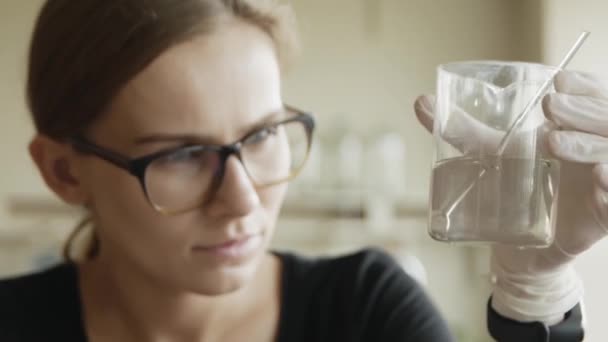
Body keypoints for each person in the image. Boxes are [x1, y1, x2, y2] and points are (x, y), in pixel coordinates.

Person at [0, 0, 604, 341]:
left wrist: (536, 299)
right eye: (181, 155)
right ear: (63, 171)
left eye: (262, 135)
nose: (242, 202)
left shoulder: (365, 311)